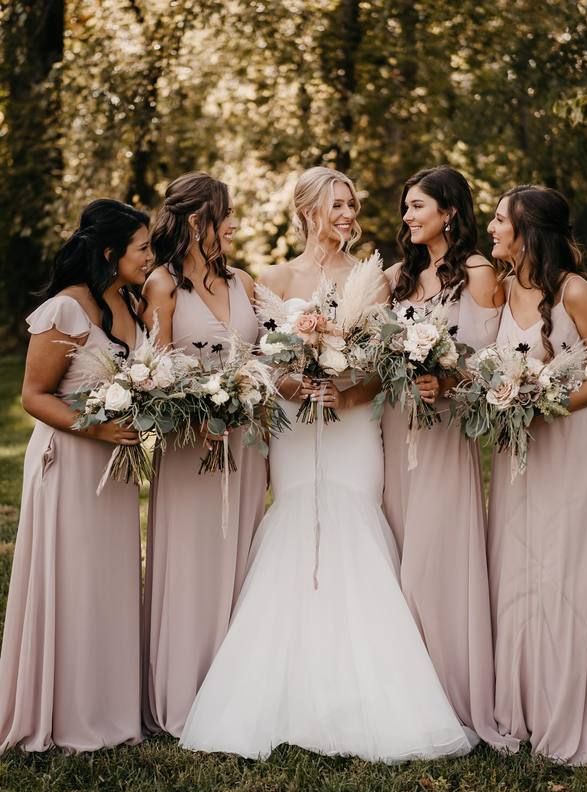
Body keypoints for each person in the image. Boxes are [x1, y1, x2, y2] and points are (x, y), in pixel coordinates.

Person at [179, 166, 474, 762]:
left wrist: (348, 392)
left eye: (352, 204)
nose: (347, 214)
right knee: (295, 517)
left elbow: (382, 365)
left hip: (355, 426)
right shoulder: (272, 278)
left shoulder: (378, 278)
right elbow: (261, 362)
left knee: (356, 518)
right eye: (336, 204)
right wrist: (293, 383)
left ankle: (377, 686)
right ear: (308, 208)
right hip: (293, 427)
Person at [487, 184, 587, 764]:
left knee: (563, 576)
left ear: (528, 232)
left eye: (501, 221)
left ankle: (565, 710)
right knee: (516, 571)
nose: (493, 229)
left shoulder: (575, 292)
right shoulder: (499, 291)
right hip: (515, 450)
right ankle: (520, 707)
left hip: (567, 446)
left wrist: (547, 401)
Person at [0, 199, 150, 753]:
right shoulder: (67, 309)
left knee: (108, 582)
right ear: (111, 252)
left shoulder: (130, 302)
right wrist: (98, 431)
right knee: (73, 580)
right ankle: (65, 712)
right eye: (142, 247)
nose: (149, 256)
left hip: (115, 469)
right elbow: (33, 396)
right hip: (70, 460)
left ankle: (110, 709)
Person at [382, 166, 515, 751]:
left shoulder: (482, 276)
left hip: (442, 436)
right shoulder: (399, 276)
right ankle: (401, 686)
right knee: (398, 550)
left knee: (434, 560)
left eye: (416, 207)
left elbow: (490, 366)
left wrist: (448, 381)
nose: (408, 217)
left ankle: (451, 690)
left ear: (449, 212)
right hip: (392, 430)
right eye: (406, 208)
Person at [141, 172, 266, 737]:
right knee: (192, 561)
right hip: (191, 446)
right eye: (227, 214)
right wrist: (196, 412)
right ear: (198, 222)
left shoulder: (242, 281)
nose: (235, 224)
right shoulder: (162, 284)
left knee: (240, 555)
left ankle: (235, 687)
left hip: (244, 442)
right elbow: (155, 371)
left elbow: (265, 355)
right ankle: (183, 691)